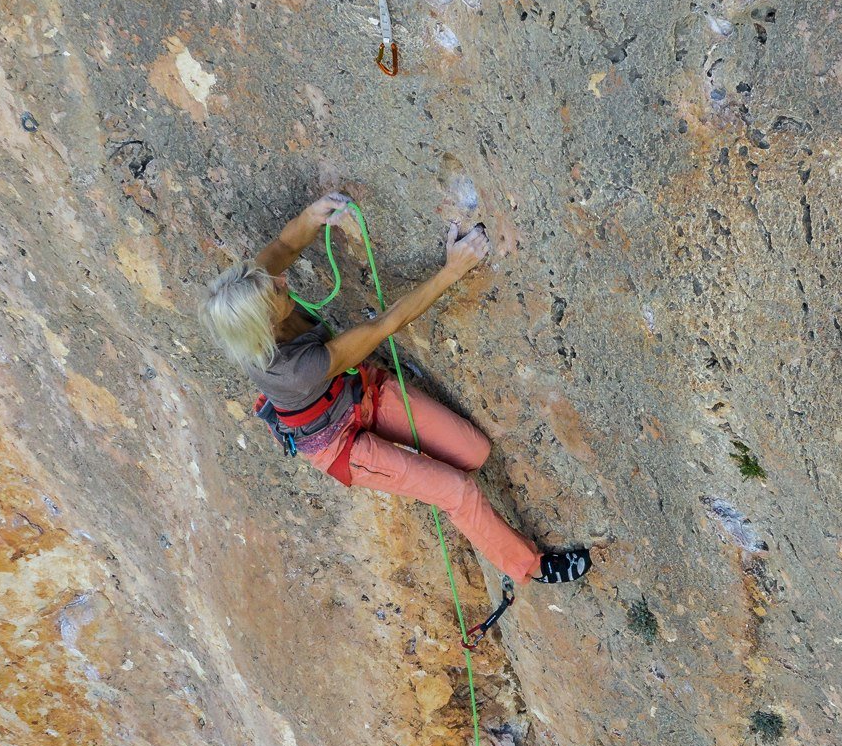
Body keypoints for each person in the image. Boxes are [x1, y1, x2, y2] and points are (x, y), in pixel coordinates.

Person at [200, 191, 591, 587]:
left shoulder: (251, 289)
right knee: (457, 491)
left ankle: (477, 521)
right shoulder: (293, 370)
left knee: (474, 452)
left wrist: (313, 215)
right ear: (264, 323)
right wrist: (452, 270)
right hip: (341, 445)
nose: (283, 281)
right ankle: (529, 567)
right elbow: (383, 326)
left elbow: (285, 245)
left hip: (359, 392)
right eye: (278, 292)